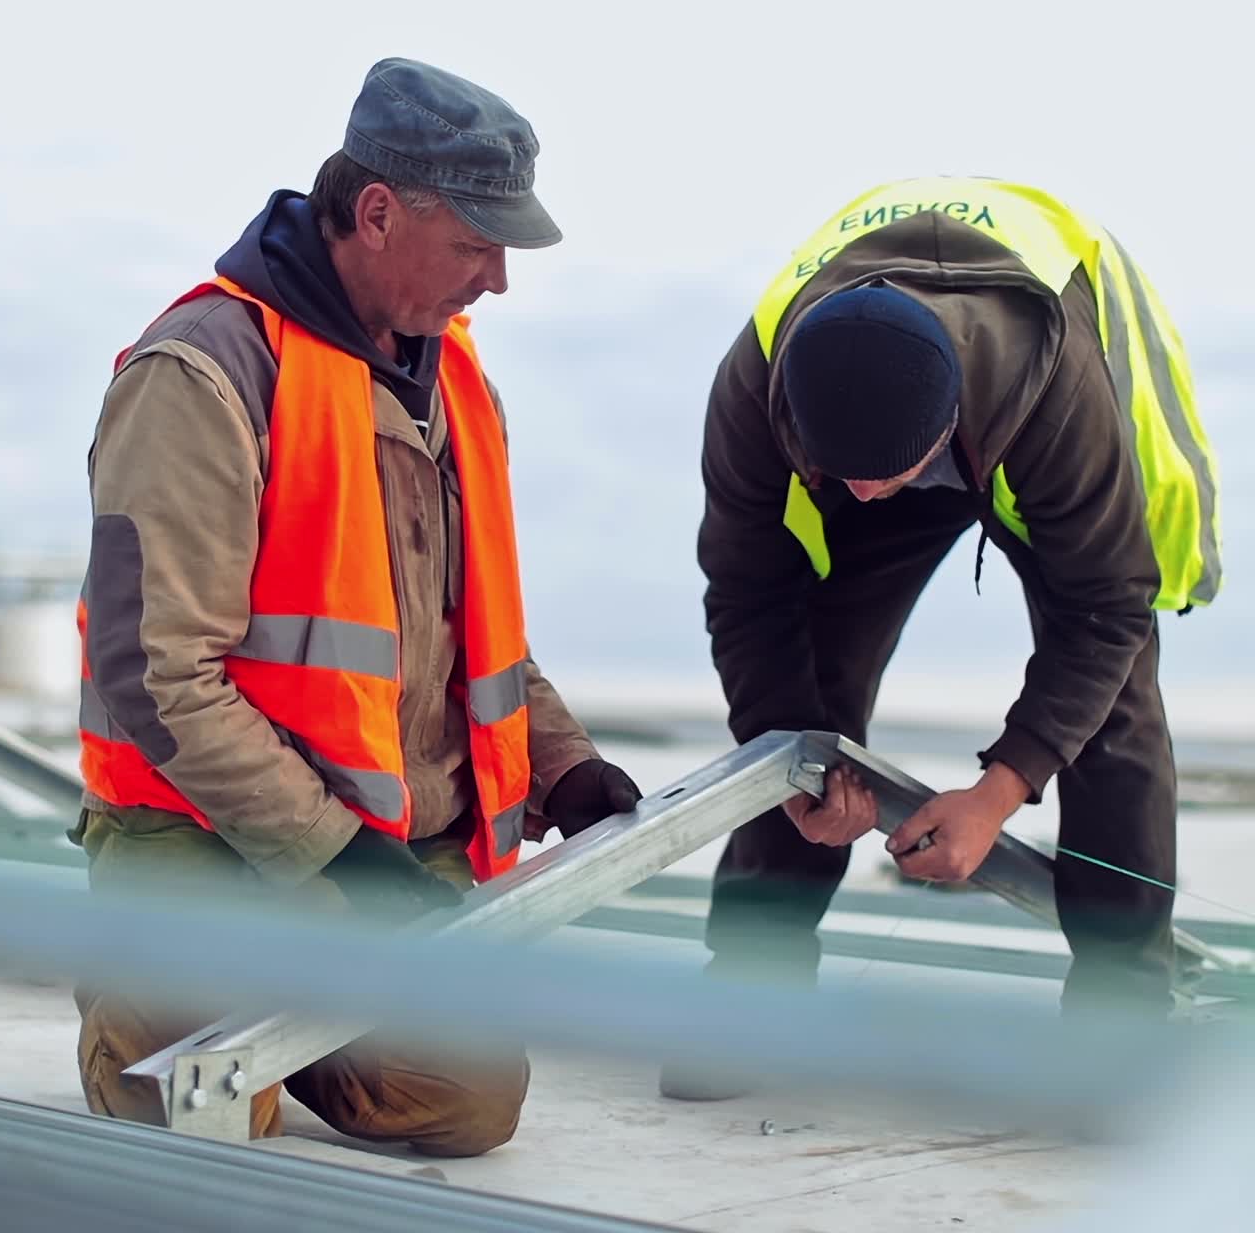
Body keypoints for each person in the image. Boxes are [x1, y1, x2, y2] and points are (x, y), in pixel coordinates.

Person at [72, 57, 642, 1154]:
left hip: (376, 851)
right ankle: (144, 1000)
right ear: (377, 212)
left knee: (467, 1100)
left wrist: (563, 757)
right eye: (477, 242)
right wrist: (333, 851)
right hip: (202, 839)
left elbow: (469, 632)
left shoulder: (457, 382)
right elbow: (159, 674)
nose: (498, 280)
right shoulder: (200, 371)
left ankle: (286, 1010)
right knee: (193, 1114)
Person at [667, 177, 1221, 1097]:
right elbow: (748, 595)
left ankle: (1121, 1028)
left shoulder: (1055, 395)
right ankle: (750, 995)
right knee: (808, 694)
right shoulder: (753, 394)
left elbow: (1108, 606)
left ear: (945, 429)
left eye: (891, 476)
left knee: (1114, 715)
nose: (872, 496)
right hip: (899, 417)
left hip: (1025, 426)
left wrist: (1000, 791)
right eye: (848, 477)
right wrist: (800, 771)